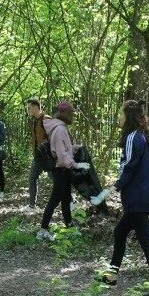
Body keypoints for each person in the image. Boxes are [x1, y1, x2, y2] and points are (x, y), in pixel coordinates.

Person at [100, 100, 149, 296]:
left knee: (147, 240)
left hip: (136, 197)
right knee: (120, 232)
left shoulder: (132, 138)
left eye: (121, 115)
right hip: (142, 196)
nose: (118, 119)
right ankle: (112, 275)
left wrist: (113, 187)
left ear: (128, 117)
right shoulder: (143, 137)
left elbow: (128, 166)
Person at [37, 102, 91, 241]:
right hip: (60, 170)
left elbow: (64, 149)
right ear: (63, 114)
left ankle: (70, 227)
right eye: (70, 113)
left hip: (63, 170)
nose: (72, 116)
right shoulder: (59, 129)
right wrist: (77, 165)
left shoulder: (60, 128)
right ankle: (43, 230)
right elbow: (61, 155)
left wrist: (74, 148)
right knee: (54, 200)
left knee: (66, 199)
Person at [25, 98, 51, 211]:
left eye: (29, 108)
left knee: (56, 180)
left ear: (36, 107)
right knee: (32, 178)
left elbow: (54, 138)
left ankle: (71, 202)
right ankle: (32, 206)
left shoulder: (46, 119)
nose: (28, 110)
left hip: (48, 157)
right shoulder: (35, 120)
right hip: (38, 156)